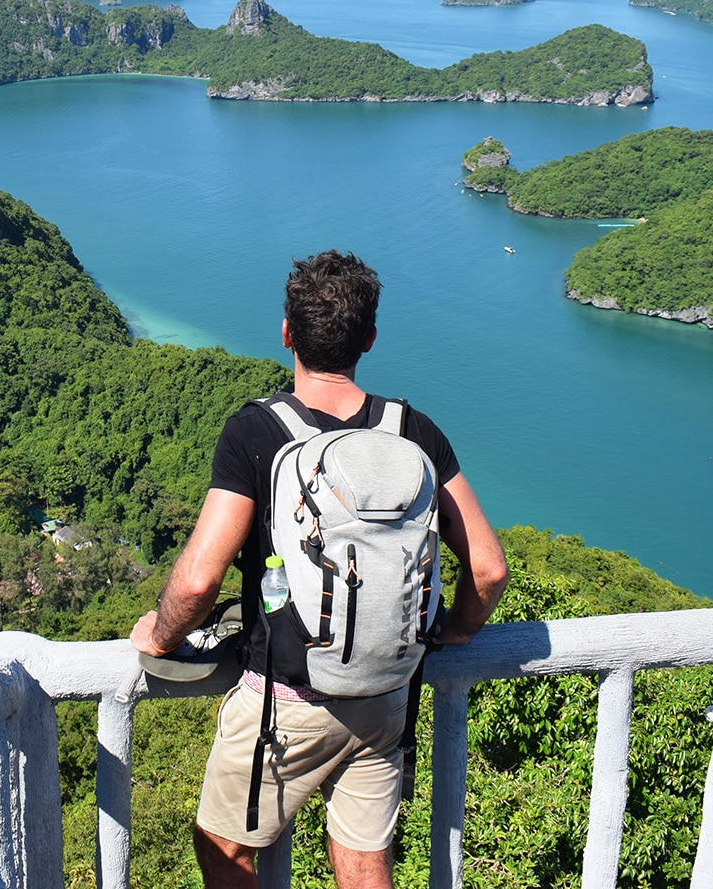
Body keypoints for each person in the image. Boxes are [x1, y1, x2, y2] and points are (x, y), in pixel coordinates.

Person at [131, 250, 509, 889]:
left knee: (224, 850)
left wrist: (161, 636)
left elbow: (198, 581)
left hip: (287, 704)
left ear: (286, 332)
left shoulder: (257, 431)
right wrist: (457, 630)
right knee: (365, 864)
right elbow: (490, 569)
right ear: (369, 339)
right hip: (388, 694)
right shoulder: (412, 430)